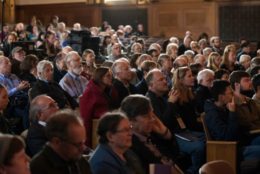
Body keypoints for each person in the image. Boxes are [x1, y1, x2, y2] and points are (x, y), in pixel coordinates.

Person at [204, 80, 260, 161]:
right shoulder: (213, 114)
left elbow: (244, 124)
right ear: (221, 97)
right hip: (232, 149)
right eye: (230, 93)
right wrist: (232, 113)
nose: (233, 96)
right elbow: (228, 137)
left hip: (244, 140)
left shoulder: (225, 106)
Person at [30, 109, 92, 174]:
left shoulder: (80, 161)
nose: (83, 148)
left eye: (83, 142)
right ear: (57, 142)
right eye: (78, 144)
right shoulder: (38, 168)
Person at [80, 67, 117, 147]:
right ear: (100, 77)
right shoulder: (90, 92)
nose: (111, 78)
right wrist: (87, 142)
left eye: (111, 75)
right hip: (97, 130)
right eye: (108, 76)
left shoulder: (107, 90)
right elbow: (86, 118)